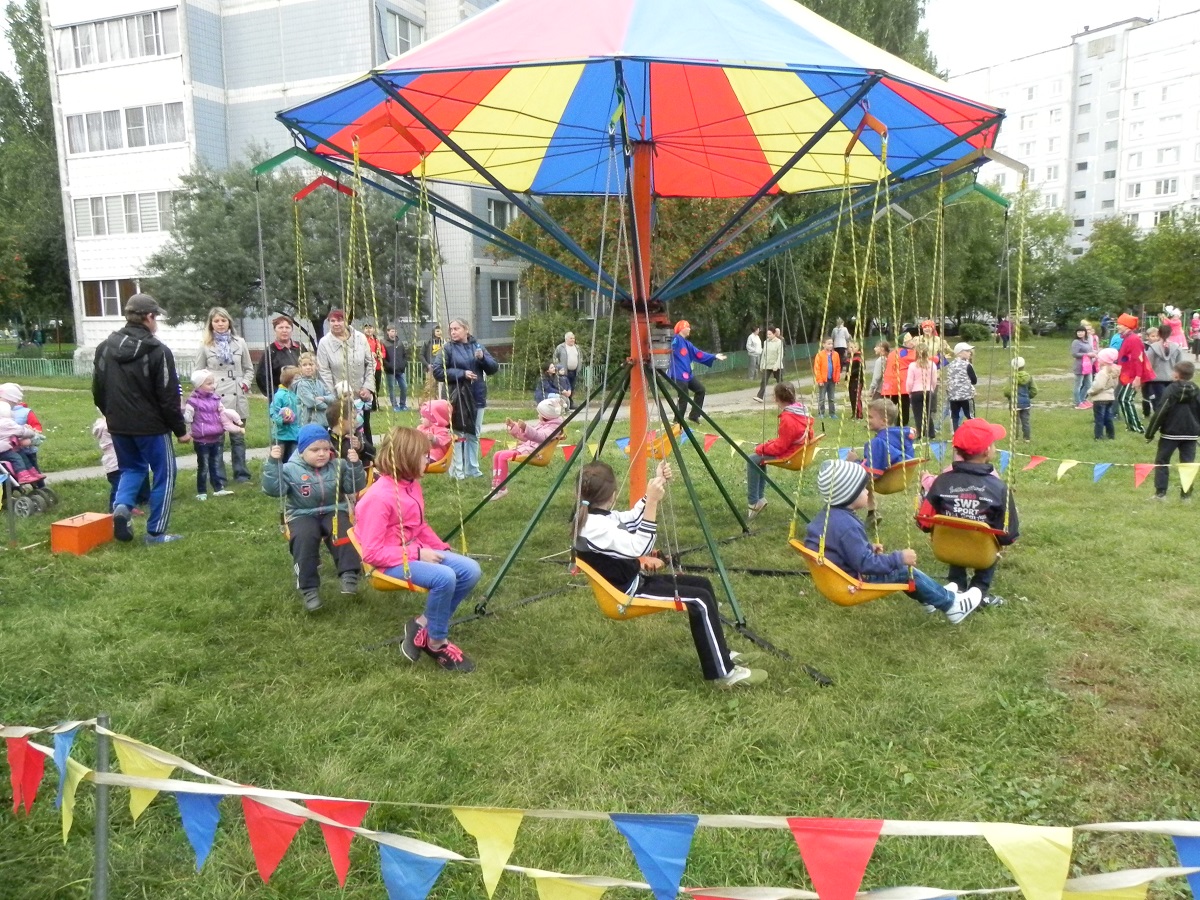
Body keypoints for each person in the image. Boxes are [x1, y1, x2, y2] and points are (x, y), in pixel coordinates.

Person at [573, 459, 766, 687]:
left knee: (702, 585)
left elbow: (630, 519)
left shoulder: (595, 518)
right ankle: (724, 674)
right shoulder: (595, 526)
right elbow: (640, 546)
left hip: (632, 581)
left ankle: (720, 653)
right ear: (613, 494)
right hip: (626, 594)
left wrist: (657, 484)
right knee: (699, 600)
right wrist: (653, 502)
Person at [355, 426, 483, 672]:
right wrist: (416, 554)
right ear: (406, 458)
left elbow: (419, 525)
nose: (429, 458)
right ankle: (436, 642)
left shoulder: (410, 484)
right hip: (387, 562)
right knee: (444, 577)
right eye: (424, 455)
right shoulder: (378, 499)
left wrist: (441, 548)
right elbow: (371, 553)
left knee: (470, 570)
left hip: (412, 550)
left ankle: (421, 624)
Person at [806, 459, 983, 623]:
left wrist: (866, 548)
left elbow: (840, 548)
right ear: (848, 494)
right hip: (853, 583)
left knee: (904, 571)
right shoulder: (847, 526)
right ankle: (952, 605)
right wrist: (898, 558)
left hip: (841, 577)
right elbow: (865, 564)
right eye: (863, 489)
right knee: (905, 571)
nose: (868, 492)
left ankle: (933, 595)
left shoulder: (827, 517)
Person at [92, 293, 191, 544]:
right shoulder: (158, 351)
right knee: (164, 475)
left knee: (131, 468)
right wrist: (180, 430)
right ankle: (156, 532)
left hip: (118, 424)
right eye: (155, 316)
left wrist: (110, 415)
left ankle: (122, 506)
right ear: (148, 317)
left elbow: (97, 388)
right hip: (152, 428)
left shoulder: (104, 348)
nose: (156, 321)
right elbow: (168, 395)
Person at [262, 423, 365, 612]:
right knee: (304, 538)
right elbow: (274, 490)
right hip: (301, 513)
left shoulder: (338, 465)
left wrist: (355, 465)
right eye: (315, 449)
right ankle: (309, 588)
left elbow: (353, 487)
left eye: (326, 449)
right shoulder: (289, 469)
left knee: (343, 531)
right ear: (301, 451)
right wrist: (272, 464)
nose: (322, 454)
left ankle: (349, 573)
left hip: (333, 509)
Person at [917, 418, 1019, 606]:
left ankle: (956, 584)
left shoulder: (941, 481)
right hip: (982, 554)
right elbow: (1009, 535)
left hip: (947, 548)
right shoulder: (998, 487)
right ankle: (978, 591)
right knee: (986, 534)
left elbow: (923, 523)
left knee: (956, 526)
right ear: (988, 451)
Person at [433, 318, 499, 479]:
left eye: (457, 328)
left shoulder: (477, 346)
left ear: (466, 329)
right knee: (457, 433)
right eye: (451, 329)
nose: (453, 332)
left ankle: (473, 469)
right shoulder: (447, 349)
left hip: (476, 396)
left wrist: (483, 358)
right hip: (457, 397)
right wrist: (461, 374)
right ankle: (457, 471)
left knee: (473, 433)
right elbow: (437, 371)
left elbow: (493, 368)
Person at [194, 306, 254, 483]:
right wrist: (207, 389)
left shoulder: (240, 342)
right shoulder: (205, 346)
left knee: (238, 437)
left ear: (229, 322)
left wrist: (244, 384)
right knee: (217, 439)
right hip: (216, 396)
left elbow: (249, 368)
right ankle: (218, 477)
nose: (220, 324)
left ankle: (241, 474)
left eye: (223, 320)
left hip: (237, 392)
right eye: (216, 321)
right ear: (211, 324)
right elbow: (197, 373)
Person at [846, 398, 916, 527]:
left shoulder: (878, 443)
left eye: (871, 417)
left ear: (884, 421)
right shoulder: (899, 437)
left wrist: (853, 462)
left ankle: (847, 513)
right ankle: (872, 512)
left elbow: (870, 474)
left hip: (886, 481)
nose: (867, 420)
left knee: (847, 476)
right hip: (900, 478)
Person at [746, 383, 813, 518]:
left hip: (792, 455)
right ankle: (760, 499)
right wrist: (767, 445)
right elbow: (786, 439)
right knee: (759, 459)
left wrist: (760, 448)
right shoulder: (801, 410)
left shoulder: (788, 418)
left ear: (776, 398)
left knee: (753, 459)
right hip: (798, 449)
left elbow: (780, 447)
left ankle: (754, 502)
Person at [317, 309, 376, 443]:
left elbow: (370, 363)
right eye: (332, 321)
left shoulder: (360, 338)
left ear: (346, 321)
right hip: (339, 398)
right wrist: (334, 396)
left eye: (339, 320)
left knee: (363, 430)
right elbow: (324, 372)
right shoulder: (324, 343)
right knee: (343, 433)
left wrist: (368, 387)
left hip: (360, 396)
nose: (336, 324)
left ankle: (367, 459)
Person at [1145, 360, 1200, 501]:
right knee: (1188, 464)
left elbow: (1161, 411)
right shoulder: (1197, 389)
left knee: (1162, 461)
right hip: (1191, 434)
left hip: (1170, 433)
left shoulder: (1170, 389)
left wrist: (1150, 433)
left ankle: (1160, 493)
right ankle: (1186, 496)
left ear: (1176, 374)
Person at [491, 397, 565, 498]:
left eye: (539, 414)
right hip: (528, 448)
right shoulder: (545, 424)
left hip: (535, 453)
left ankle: (501, 488)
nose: (538, 415)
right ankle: (496, 483)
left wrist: (526, 428)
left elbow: (540, 436)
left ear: (545, 417)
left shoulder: (553, 428)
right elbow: (527, 437)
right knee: (497, 455)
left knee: (503, 456)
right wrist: (515, 426)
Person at [184, 369, 240, 500]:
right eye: (209, 383)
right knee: (203, 466)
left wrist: (231, 421)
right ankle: (202, 491)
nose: (213, 386)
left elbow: (223, 412)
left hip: (216, 436)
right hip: (201, 439)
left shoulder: (216, 398)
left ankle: (218, 488)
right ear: (199, 385)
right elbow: (188, 417)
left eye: (213, 383)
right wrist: (184, 413)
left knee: (215, 464)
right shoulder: (193, 401)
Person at [668, 320, 725, 423]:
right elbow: (669, 346)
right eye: (688, 327)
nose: (690, 329)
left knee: (700, 390)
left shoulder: (687, 344)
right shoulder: (675, 339)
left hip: (687, 375)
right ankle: (677, 421)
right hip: (678, 374)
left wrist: (714, 356)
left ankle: (694, 416)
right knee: (684, 397)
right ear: (682, 328)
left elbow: (698, 354)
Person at [93, 415, 150, 514]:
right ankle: (114, 508)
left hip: (111, 463)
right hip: (118, 461)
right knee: (119, 487)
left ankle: (138, 502)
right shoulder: (112, 424)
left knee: (128, 483)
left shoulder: (103, 425)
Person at [255, 314, 306, 398]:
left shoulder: (300, 347)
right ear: (275, 330)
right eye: (281, 327)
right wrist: (275, 394)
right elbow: (262, 377)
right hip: (282, 397)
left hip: (301, 395)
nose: (284, 330)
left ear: (292, 330)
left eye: (287, 327)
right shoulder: (270, 351)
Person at [1114, 314, 1146, 433]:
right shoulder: (1127, 338)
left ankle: (1138, 427)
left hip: (1133, 376)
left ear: (1127, 326)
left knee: (1125, 399)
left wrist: (1138, 377)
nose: (1118, 326)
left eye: (1120, 324)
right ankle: (1131, 426)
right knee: (1122, 399)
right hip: (1128, 374)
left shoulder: (1133, 339)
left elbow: (1139, 359)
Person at [327, 397, 375, 466]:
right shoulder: (327, 441)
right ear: (341, 422)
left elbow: (373, 455)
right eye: (354, 418)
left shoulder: (357, 435)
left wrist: (361, 447)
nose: (356, 422)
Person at [1144, 327, 1181, 414]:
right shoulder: (1177, 347)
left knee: (1159, 401)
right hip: (1172, 378)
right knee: (1171, 400)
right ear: (1170, 333)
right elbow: (1180, 364)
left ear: (1159, 334)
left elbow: (1149, 364)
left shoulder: (1153, 347)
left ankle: (1160, 420)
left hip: (1156, 378)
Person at [269, 366, 302, 461]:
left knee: (293, 459)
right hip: (281, 435)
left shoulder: (297, 393)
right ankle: (277, 475)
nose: (299, 381)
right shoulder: (279, 395)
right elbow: (272, 412)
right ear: (289, 380)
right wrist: (281, 420)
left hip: (295, 434)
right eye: (296, 378)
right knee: (278, 458)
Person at [906, 343, 938, 438]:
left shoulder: (912, 365)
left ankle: (920, 433)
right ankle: (931, 433)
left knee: (918, 414)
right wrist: (932, 388)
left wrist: (909, 392)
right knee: (928, 413)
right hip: (928, 390)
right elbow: (934, 380)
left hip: (916, 391)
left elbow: (910, 381)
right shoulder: (932, 364)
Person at [1086, 349, 1120, 440]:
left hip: (1100, 399)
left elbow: (1098, 386)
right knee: (1108, 417)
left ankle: (1098, 436)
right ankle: (1111, 435)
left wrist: (1090, 391)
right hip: (1110, 397)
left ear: (1104, 361)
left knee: (1099, 418)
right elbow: (1115, 384)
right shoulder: (1114, 371)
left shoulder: (1102, 373)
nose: (1098, 360)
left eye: (1100, 359)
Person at [293, 351, 334, 426]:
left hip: (323, 421)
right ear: (300, 368)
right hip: (309, 422)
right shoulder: (302, 384)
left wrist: (324, 398)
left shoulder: (320, 383)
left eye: (311, 364)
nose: (308, 367)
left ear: (317, 366)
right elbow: (312, 403)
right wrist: (329, 408)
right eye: (304, 365)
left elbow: (332, 397)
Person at [1003, 357, 1037, 443]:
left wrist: (1010, 397)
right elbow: (1034, 390)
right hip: (1026, 403)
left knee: (1015, 422)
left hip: (1015, 403)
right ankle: (1027, 439)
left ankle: (1015, 439)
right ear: (1024, 365)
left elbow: (1007, 391)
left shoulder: (1012, 377)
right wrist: (1028, 397)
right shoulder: (1029, 377)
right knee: (1026, 421)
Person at [946, 342, 977, 431]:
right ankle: (973, 433)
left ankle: (955, 434)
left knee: (954, 416)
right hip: (966, 396)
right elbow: (974, 381)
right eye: (967, 351)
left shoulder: (950, 365)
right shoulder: (967, 365)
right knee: (970, 416)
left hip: (953, 396)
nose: (969, 352)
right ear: (960, 353)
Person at [381, 325, 409, 411]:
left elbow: (405, 355)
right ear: (388, 332)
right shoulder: (384, 343)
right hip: (390, 370)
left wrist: (404, 363)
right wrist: (388, 365)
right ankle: (395, 405)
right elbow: (383, 357)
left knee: (404, 387)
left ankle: (403, 404)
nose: (393, 332)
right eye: (392, 331)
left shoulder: (400, 342)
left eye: (395, 331)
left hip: (400, 369)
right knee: (392, 388)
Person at [813, 337, 842, 419]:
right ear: (823, 344)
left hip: (832, 379)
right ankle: (821, 413)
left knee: (831, 398)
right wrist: (819, 380)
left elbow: (837, 367)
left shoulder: (835, 354)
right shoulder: (819, 355)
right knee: (822, 397)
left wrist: (837, 378)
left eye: (832, 344)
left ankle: (832, 413)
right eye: (828, 344)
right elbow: (817, 368)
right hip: (823, 380)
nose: (830, 345)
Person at [418, 399, 453, 464]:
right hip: (422, 451)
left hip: (435, 453)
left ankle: (426, 460)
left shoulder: (441, 429)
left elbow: (443, 440)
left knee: (434, 453)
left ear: (433, 418)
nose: (421, 419)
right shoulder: (421, 428)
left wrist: (434, 438)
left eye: (423, 417)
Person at [755, 326, 784, 402]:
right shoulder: (765, 342)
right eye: (767, 334)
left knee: (780, 382)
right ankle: (760, 397)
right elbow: (764, 354)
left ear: (774, 334)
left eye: (770, 334)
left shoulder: (779, 342)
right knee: (763, 381)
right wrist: (762, 365)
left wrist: (776, 365)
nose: (768, 336)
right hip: (767, 365)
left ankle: (783, 397)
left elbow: (780, 355)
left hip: (776, 366)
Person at [1070, 325, 1096, 409]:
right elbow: (1074, 354)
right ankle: (1078, 402)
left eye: (1082, 331)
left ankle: (1082, 399)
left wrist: (1093, 354)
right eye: (1078, 332)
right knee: (1078, 384)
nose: (1080, 333)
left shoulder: (1086, 341)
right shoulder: (1076, 342)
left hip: (1088, 366)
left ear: (1085, 332)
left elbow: (1090, 350)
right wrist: (1087, 354)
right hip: (1080, 366)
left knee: (1088, 384)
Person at [553, 331, 582, 403]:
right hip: (564, 372)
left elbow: (580, 357)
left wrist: (580, 366)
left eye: (573, 338)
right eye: (571, 338)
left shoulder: (577, 347)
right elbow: (555, 357)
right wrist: (558, 367)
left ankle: (570, 402)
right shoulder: (560, 347)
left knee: (572, 387)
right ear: (566, 339)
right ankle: (565, 402)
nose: (573, 340)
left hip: (574, 371)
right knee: (565, 387)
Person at [422, 324, 446, 399]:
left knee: (440, 388)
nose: (439, 332)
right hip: (431, 367)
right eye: (437, 331)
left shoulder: (444, 342)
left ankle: (437, 403)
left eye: (440, 331)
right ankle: (426, 404)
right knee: (429, 387)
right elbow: (421, 355)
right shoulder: (428, 342)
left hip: (441, 367)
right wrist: (427, 365)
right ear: (433, 332)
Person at [363, 323, 385, 400]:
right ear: (363, 330)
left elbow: (383, 353)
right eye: (366, 328)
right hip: (366, 367)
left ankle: (375, 404)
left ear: (374, 330)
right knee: (368, 386)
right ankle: (368, 403)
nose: (368, 330)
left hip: (377, 367)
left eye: (370, 328)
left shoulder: (377, 341)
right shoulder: (362, 341)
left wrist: (380, 355)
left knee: (377, 385)